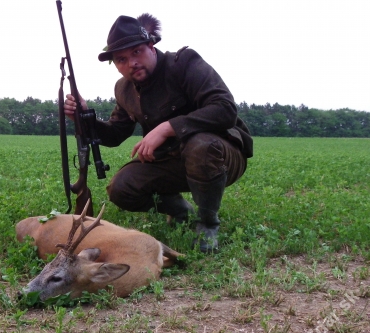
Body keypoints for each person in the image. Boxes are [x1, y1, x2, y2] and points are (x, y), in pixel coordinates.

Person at [63, 13, 253, 253]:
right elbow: (115, 134)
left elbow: (225, 109)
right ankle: (181, 211)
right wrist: (83, 117)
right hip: (173, 161)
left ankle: (207, 224)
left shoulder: (184, 63)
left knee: (200, 146)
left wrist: (168, 128)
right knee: (121, 188)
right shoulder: (124, 89)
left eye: (136, 52)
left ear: (151, 47)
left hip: (222, 156)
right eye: (121, 59)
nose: (131, 63)